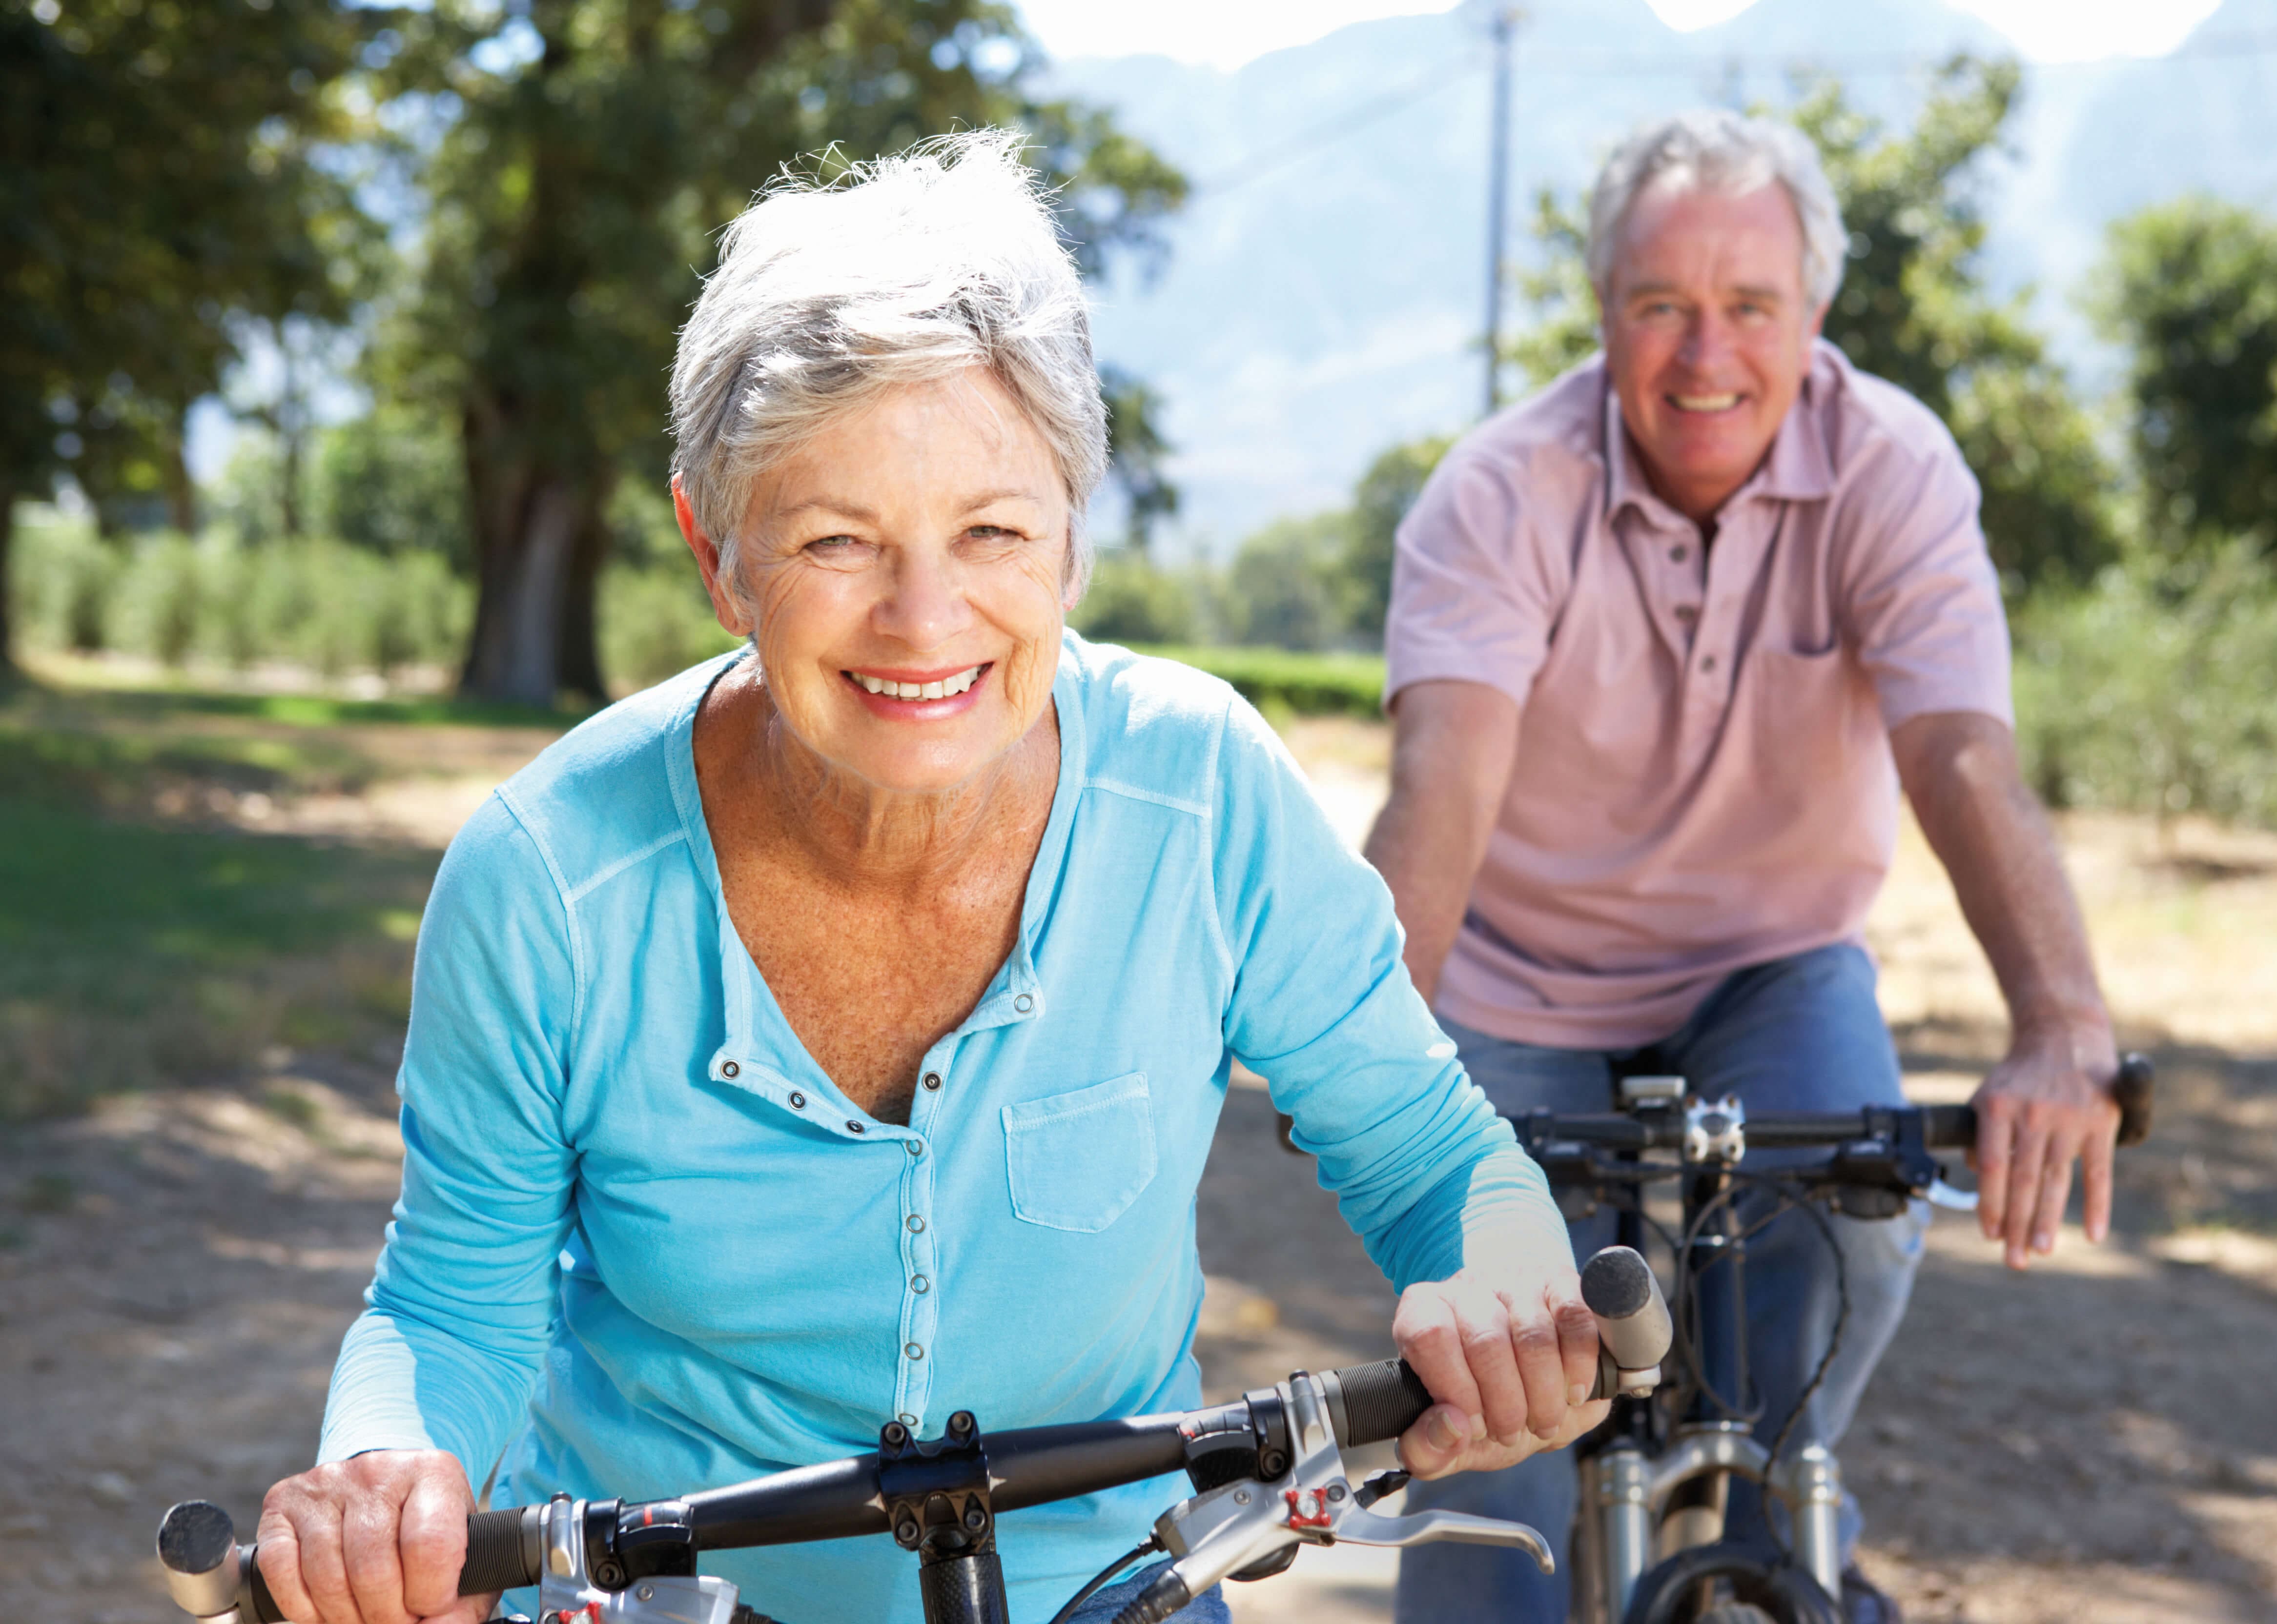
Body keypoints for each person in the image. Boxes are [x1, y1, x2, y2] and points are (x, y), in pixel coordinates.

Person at [250, 133, 1605, 1624]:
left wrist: (1505, 1264)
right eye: (839, 540)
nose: (925, 618)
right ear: (720, 554)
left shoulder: (1203, 793)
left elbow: (1426, 1151)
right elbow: (454, 1296)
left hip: (1111, 1587)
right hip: (668, 1598)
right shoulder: (549, 881)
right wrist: (389, 1471)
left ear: (1073, 540)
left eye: (993, 531)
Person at [1369, 111, 2123, 1624]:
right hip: (1521, 977)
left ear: (1814, 318)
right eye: (1662, 306)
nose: (1704, 354)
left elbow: (1960, 757)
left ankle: (1765, 1516)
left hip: (1772, 966)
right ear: (1604, 317)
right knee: (1500, 1402)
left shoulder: (1893, 469)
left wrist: (2059, 1028)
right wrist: (1375, 1075)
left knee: (1857, 1213)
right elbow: (1438, 794)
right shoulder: (1500, 492)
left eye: (1749, 307)